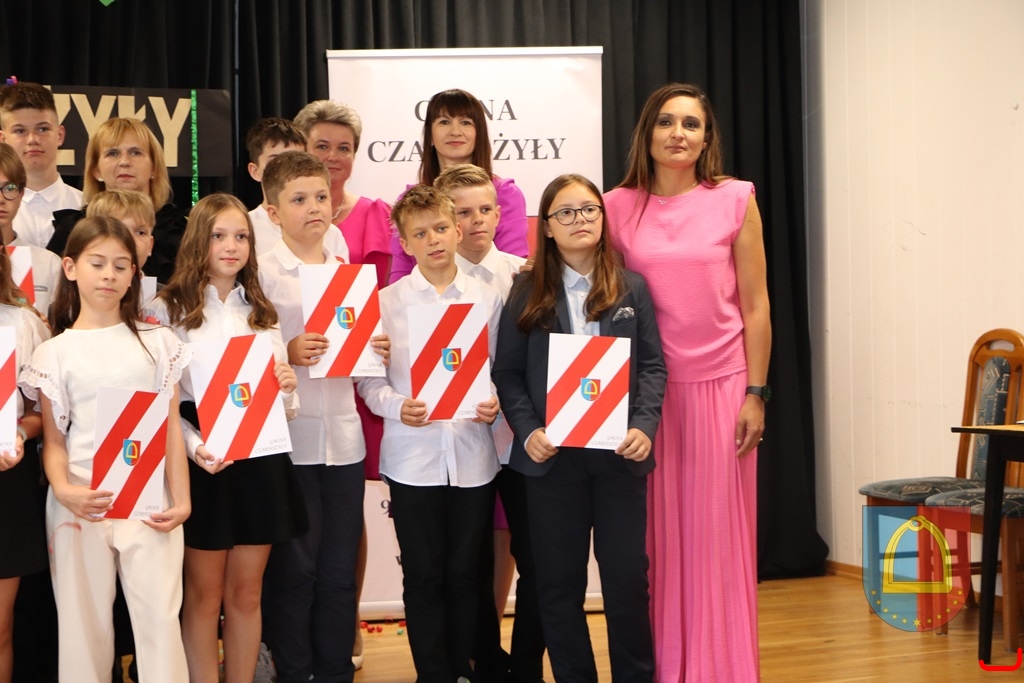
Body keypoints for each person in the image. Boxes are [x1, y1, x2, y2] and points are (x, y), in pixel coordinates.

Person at [604, 82, 771, 682]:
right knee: (653, 543)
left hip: (722, 388)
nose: (679, 133)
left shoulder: (734, 199)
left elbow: (756, 305)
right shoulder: (615, 206)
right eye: (667, 122)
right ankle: (665, 667)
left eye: (692, 124)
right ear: (646, 133)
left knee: (715, 539)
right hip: (646, 398)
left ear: (706, 138)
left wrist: (756, 393)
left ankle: (719, 668)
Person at [492, 173, 666, 683]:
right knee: (558, 585)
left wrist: (644, 425)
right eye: (565, 213)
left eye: (589, 209)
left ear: (603, 218)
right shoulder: (526, 290)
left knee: (626, 581)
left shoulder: (632, 286)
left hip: (619, 459)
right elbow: (507, 373)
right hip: (552, 462)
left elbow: (652, 367)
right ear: (547, 227)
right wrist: (528, 431)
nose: (579, 220)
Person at [20, 216, 192, 683]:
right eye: (97, 264)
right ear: (71, 268)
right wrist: (64, 490)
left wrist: (181, 500)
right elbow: (54, 441)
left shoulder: (158, 343)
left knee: (159, 625)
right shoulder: (54, 352)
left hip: (149, 502)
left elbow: (170, 429)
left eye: (121, 265)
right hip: (80, 502)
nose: (109, 276)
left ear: (134, 273)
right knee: (83, 631)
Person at [147, 192, 309, 683]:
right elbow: (159, 406)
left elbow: (283, 409)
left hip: (260, 461)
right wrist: (195, 448)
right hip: (202, 462)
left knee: (246, 593)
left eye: (241, 236)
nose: (232, 246)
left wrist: (287, 387)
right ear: (198, 240)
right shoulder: (165, 309)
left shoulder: (261, 310)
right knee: (203, 596)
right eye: (219, 235)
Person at [358, 184, 501, 682]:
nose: (434, 239)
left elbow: (501, 370)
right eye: (420, 234)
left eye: (441, 228)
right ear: (404, 243)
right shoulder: (385, 303)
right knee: (422, 576)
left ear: (457, 229)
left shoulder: (489, 298)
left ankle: (462, 669)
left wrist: (494, 401)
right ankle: (432, 675)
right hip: (412, 461)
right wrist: (398, 407)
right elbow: (369, 381)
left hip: (473, 458)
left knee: (465, 574)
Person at [257, 150, 387, 683]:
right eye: (299, 199)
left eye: (320, 196)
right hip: (290, 442)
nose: (314, 207)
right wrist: (286, 352)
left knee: (338, 570)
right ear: (272, 212)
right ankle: (294, 671)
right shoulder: (262, 274)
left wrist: (376, 349)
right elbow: (245, 359)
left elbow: (363, 365)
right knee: (295, 570)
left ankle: (335, 671)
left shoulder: (347, 274)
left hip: (345, 441)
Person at [435, 163, 544, 682]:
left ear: (500, 215)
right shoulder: (428, 284)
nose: (476, 220)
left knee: (536, 557)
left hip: (520, 438)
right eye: (462, 212)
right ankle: (480, 660)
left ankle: (526, 666)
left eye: (485, 209)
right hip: (461, 438)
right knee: (467, 561)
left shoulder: (528, 276)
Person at [294, 100, 392, 669]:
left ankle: (343, 630)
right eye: (321, 146)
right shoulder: (269, 232)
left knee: (345, 528)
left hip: (361, 395)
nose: (333, 157)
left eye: (344, 148)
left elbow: (380, 303)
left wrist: (381, 343)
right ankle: (295, 648)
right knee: (302, 543)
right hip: (299, 409)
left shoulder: (367, 221)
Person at [388, 89, 529, 284]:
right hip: (426, 300)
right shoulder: (410, 200)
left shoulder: (505, 193)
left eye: (466, 122)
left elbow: (511, 271)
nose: (455, 131)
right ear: (430, 133)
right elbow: (400, 277)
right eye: (444, 122)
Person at [50, 117, 188, 285]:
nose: (124, 162)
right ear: (96, 170)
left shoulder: (181, 231)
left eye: (135, 152)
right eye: (113, 153)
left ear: (154, 167)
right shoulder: (71, 229)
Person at [0, 239, 50, 683]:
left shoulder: (22, 323)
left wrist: (17, 434)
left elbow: (40, 414)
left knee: (0, 626)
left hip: (6, 478)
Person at [244, 117, 349, 259]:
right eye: (275, 161)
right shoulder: (245, 228)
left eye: (296, 159)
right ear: (255, 171)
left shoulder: (331, 234)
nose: (287, 167)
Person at [0, 81, 83, 249]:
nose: (33, 139)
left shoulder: (86, 205)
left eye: (43, 129)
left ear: (60, 135)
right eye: (20, 131)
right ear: (3, 140)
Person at [0, 142, 61, 316]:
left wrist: (44, 328)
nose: (1, 199)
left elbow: (65, 325)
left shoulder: (48, 263)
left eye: (9, 188)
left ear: (21, 194)